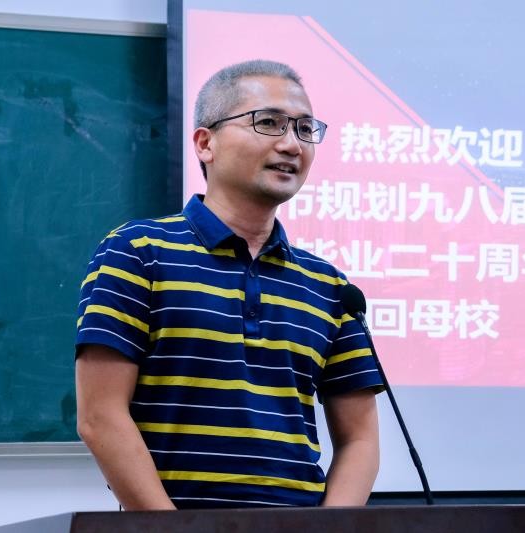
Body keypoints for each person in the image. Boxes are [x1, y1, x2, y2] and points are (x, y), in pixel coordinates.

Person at [75, 59, 383, 510]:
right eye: (269, 123)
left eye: (304, 129)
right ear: (206, 143)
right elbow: (99, 416)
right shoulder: (138, 253)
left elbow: (360, 439)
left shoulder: (330, 286)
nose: (291, 144)